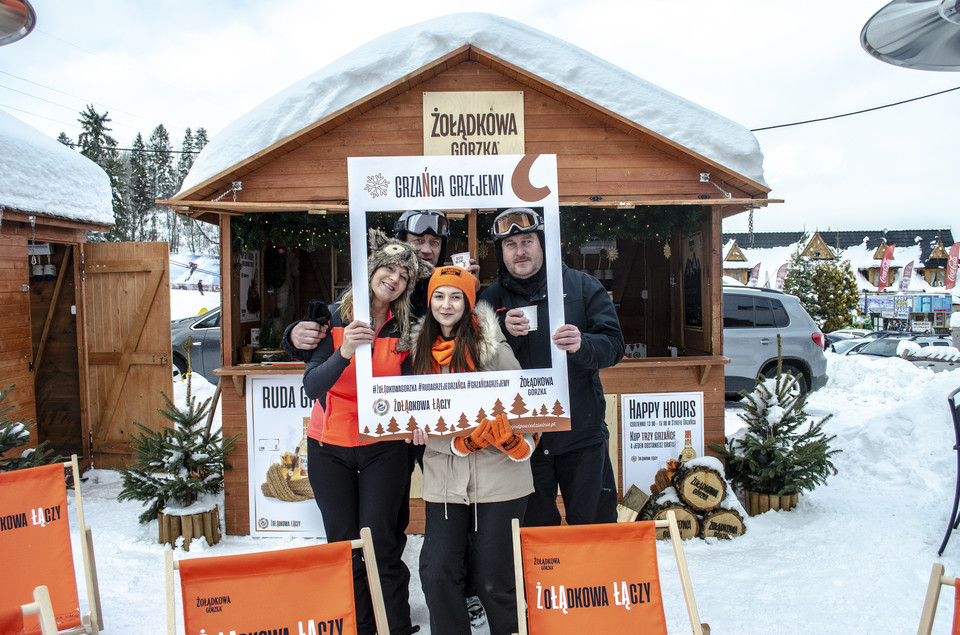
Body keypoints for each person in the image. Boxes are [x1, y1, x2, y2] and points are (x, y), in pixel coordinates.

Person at [301, 229, 431, 635]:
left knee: (380, 544)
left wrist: (420, 419)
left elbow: (417, 387)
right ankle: (358, 625)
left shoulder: (407, 327)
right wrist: (342, 351)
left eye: (403, 275)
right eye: (387, 268)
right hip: (330, 447)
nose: (393, 278)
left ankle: (393, 624)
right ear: (371, 269)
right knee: (344, 545)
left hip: (383, 448)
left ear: (408, 286)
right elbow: (312, 385)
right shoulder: (333, 318)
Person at [402, 266, 534, 635]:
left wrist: (518, 442)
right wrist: (455, 442)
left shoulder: (495, 348)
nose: (447, 305)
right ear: (429, 303)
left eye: (456, 296)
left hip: (500, 479)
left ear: (469, 302)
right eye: (439, 296)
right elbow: (417, 416)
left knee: (496, 580)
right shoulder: (419, 354)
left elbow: (528, 408)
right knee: (437, 571)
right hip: (445, 482)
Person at [479, 208, 625, 527]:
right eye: (510, 244)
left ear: (543, 244)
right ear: (500, 252)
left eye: (527, 241)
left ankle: (592, 580)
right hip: (523, 442)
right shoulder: (490, 299)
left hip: (582, 435)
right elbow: (475, 366)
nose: (520, 251)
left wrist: (583, 344)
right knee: (534, 536)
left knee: (594, 527)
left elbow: (614, 346)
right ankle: (542, 581)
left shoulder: (581, 286)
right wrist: (503, 332)